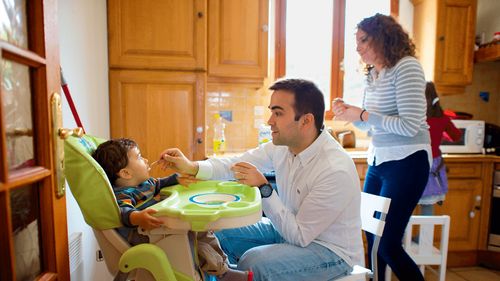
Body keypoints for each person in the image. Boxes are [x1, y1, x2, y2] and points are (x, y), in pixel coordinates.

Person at [159, 78, 364, 281]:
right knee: (216, 234)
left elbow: (300, 236)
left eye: (278, 113)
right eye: (271, 112)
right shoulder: (283, 146)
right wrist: (192, 167)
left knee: (253, 262)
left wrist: (264, 189)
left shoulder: (333, 169)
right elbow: (236, 163)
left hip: (330, 251)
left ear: (306, 121)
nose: (269, 121)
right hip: (288, 230)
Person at [332, 14, 431, 281]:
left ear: (384, 38)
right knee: (371, 238)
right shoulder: (373, 74)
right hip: (379, 160)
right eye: (356, 41)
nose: (358, 47)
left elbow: (409, 126)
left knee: (387, 244)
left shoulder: (407, 67)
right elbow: (372, 126)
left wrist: (362, 114)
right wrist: (351, 115)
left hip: (407, 161)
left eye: (364, 39)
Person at [91, 138, 253, 281]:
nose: (146, 160)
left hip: (162, 229)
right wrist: (138, 217)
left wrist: (177, 178)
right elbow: (124, 213)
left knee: (203, 230)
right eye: (139, 157)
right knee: (194, 234)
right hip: (149, 234)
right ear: (126, 173)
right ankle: (222, 274)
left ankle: (222, 268)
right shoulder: (124, 194)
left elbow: (161, 183)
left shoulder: (146, 184)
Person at [419, 81, 462, 215]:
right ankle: (424, 236)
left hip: (414, 163)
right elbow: (456, 136)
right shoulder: (442, 118)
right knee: (427, 206)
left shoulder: (415, 118)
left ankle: (405, 236)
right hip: (433, 165)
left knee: (405, 207)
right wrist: (442, 134)